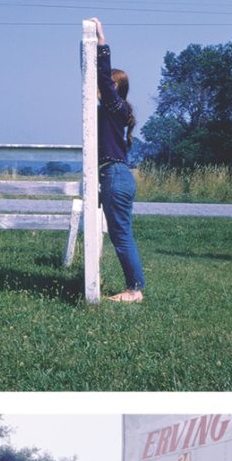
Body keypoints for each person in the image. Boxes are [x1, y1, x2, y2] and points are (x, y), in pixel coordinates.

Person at [85, 19, 144, 303]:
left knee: (121, 237)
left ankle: (134, 290)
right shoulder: (114, 111)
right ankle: (134, 287)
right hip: (115, 176)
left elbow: (104, 79)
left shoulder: (114, 106)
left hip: (115, 177)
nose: (99, 87)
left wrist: (101, 42)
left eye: (106, 84)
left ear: (114, 88)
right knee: (121, 235)